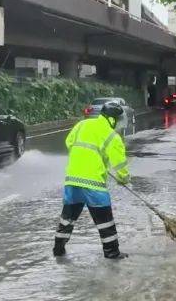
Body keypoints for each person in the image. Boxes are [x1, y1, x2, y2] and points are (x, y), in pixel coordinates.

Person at [53, 102, 131, 259]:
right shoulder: (111, 135)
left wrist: (84, 159)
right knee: (105, 222)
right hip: (93, 185)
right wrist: (124, 179)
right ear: (112, 119)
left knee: (67, 218)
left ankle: (58, 249)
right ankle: (112, 253)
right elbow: (120, 163)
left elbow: (69, 143)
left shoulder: (82, 124)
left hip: (72, 181)